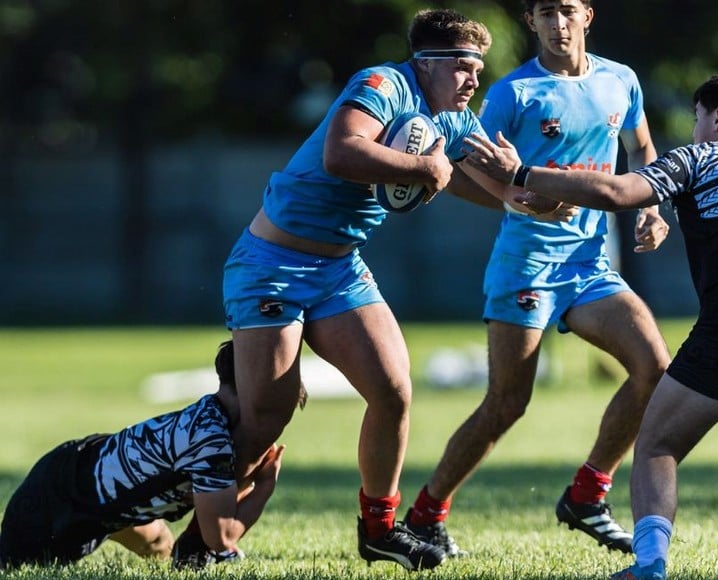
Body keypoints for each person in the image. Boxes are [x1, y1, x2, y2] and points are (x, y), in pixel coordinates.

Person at [463, 68, 718, 580]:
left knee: (658, 445)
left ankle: (650, 565)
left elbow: (616, 191)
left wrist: (522, 173)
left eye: (699, 117)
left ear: (717, 117)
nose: (696, 127)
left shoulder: (700, 155)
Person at [206, 8, 526, 572]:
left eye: (477, 67)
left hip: (340, 270)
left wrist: (530, 191)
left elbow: (492, 182)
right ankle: (201, 539)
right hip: (272, 265)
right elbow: (343, 152)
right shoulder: (382, 83)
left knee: (393, 389)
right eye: (463, 66)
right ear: (426, 65)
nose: (475, 79)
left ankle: (378, 529)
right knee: (266, 416)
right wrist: (424, 168)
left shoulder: (453, 116)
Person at [402, 0, 672, 557]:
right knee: (507, 403)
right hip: (527, 266)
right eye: (544, 12)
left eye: (566, 9)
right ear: (531, 22)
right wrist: (514, 200)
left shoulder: (620, 79)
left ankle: (587, 495)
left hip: (591, 267)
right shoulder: (513, 94)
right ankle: (426, 514)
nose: (557, 23)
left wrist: (651, 203)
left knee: (655, 369)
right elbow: (458, 163)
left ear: (588, 15)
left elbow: (641, 147)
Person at [0, 340, 286, 570]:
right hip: (60, 495)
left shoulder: (217, 420)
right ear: (255, 386)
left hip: (94, 481)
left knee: (160, 545)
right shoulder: (211, 440)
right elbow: (221, 536)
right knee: (14, 564)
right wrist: (265, 486)